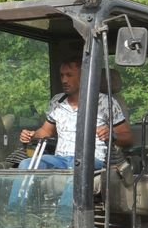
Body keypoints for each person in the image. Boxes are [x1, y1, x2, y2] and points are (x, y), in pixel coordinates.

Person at [10, 56, 131, 212]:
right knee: (26, 164)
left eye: (69, 75)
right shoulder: (57, 102)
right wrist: (32, 135)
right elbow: (46, 131)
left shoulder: (106, 103)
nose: (64, 80)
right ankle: (15, 212)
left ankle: (64, 221)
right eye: (62, 76)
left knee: (78, 169)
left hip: (92, 160)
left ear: (84, 75)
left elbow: (128, 137)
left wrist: (112, 135)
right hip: (60, 159)